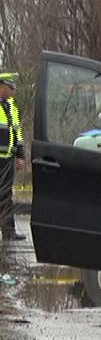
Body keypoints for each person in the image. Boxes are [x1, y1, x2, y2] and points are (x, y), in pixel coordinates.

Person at [0, 72, 26, 241]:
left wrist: (20, 155)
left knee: (6, 195)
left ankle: (8, 231)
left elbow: (18, 133)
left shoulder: (12, 107)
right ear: (2, 87)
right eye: (11, 88)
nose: (13, 92)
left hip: (7, 159)